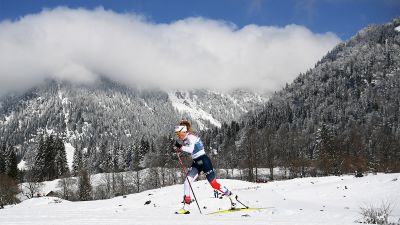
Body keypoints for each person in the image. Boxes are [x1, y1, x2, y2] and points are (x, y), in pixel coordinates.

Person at [174, 120, 236, 214]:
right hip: (196, 163)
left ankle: (231, 195)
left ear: (184, 131)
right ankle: (186, 207)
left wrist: (180, 147)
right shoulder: (186, 138)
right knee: (187, 182)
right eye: (177, 134)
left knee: (214, 184)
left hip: (204, 161)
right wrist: (180, 149)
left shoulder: (191, 137)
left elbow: (190, 150)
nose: (178, 136)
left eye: (179, 133)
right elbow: (191, 149)